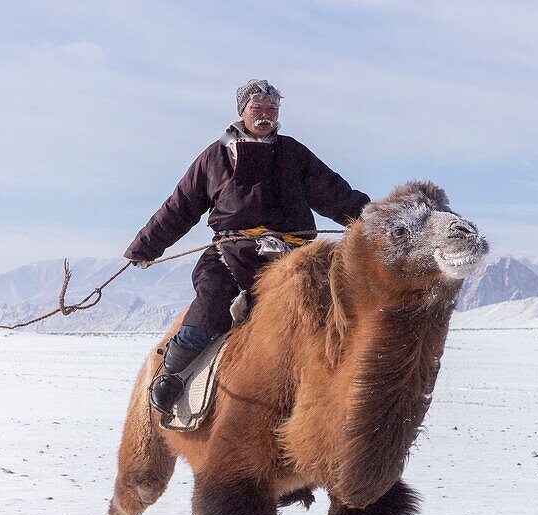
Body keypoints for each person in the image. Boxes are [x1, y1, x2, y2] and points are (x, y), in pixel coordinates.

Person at [124, 79, 370, 416]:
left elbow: (334, 193)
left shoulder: (293, 153)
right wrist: (144, 247)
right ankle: (171, 375)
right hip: (233, 255)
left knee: (339, 311)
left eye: (272, 110)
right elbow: (180, 206)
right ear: (242, 112)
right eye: (258, 109)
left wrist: (370, 219)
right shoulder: (216, 155)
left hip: (293, 256)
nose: (265, 116)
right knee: (211, 304)